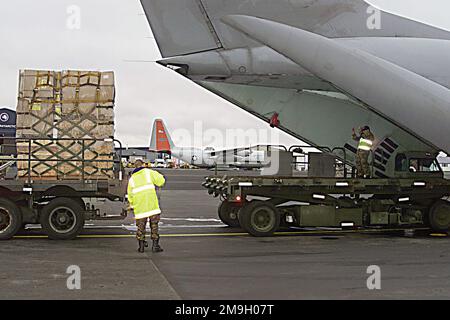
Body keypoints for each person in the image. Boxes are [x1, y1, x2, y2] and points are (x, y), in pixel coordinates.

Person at [127, 159, 166, 253]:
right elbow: (161, 181)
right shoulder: (149, 172)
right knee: (154, 225)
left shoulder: (132, 179)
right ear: (143, 165)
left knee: (141, 227)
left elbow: (130, 195)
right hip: (152, 205)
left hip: (140, 207)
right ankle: (155, 246)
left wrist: (132, 204)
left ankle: (141, 247)